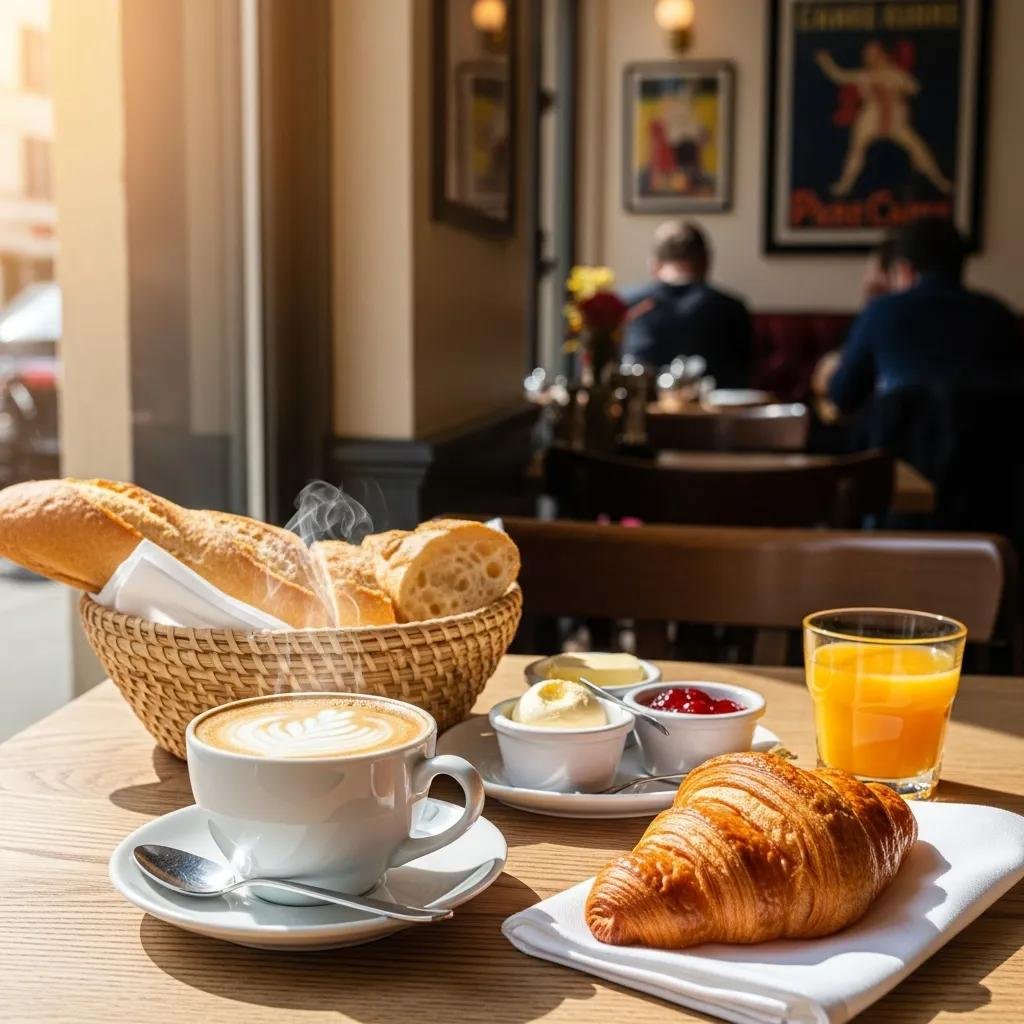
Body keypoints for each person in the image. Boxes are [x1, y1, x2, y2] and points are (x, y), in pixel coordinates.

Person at [828, 218, 1024, 415]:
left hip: (900, 444)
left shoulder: (882, 311)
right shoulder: (999, 315)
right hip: (988, 444)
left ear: (905, 270)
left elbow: (843, 395)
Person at [622, 221, 752, 387]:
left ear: (654, 264)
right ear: (706, 262)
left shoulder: (625, 304)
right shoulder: (733, 308)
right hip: (713, 411)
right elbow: (744, 374)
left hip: (643, 409)